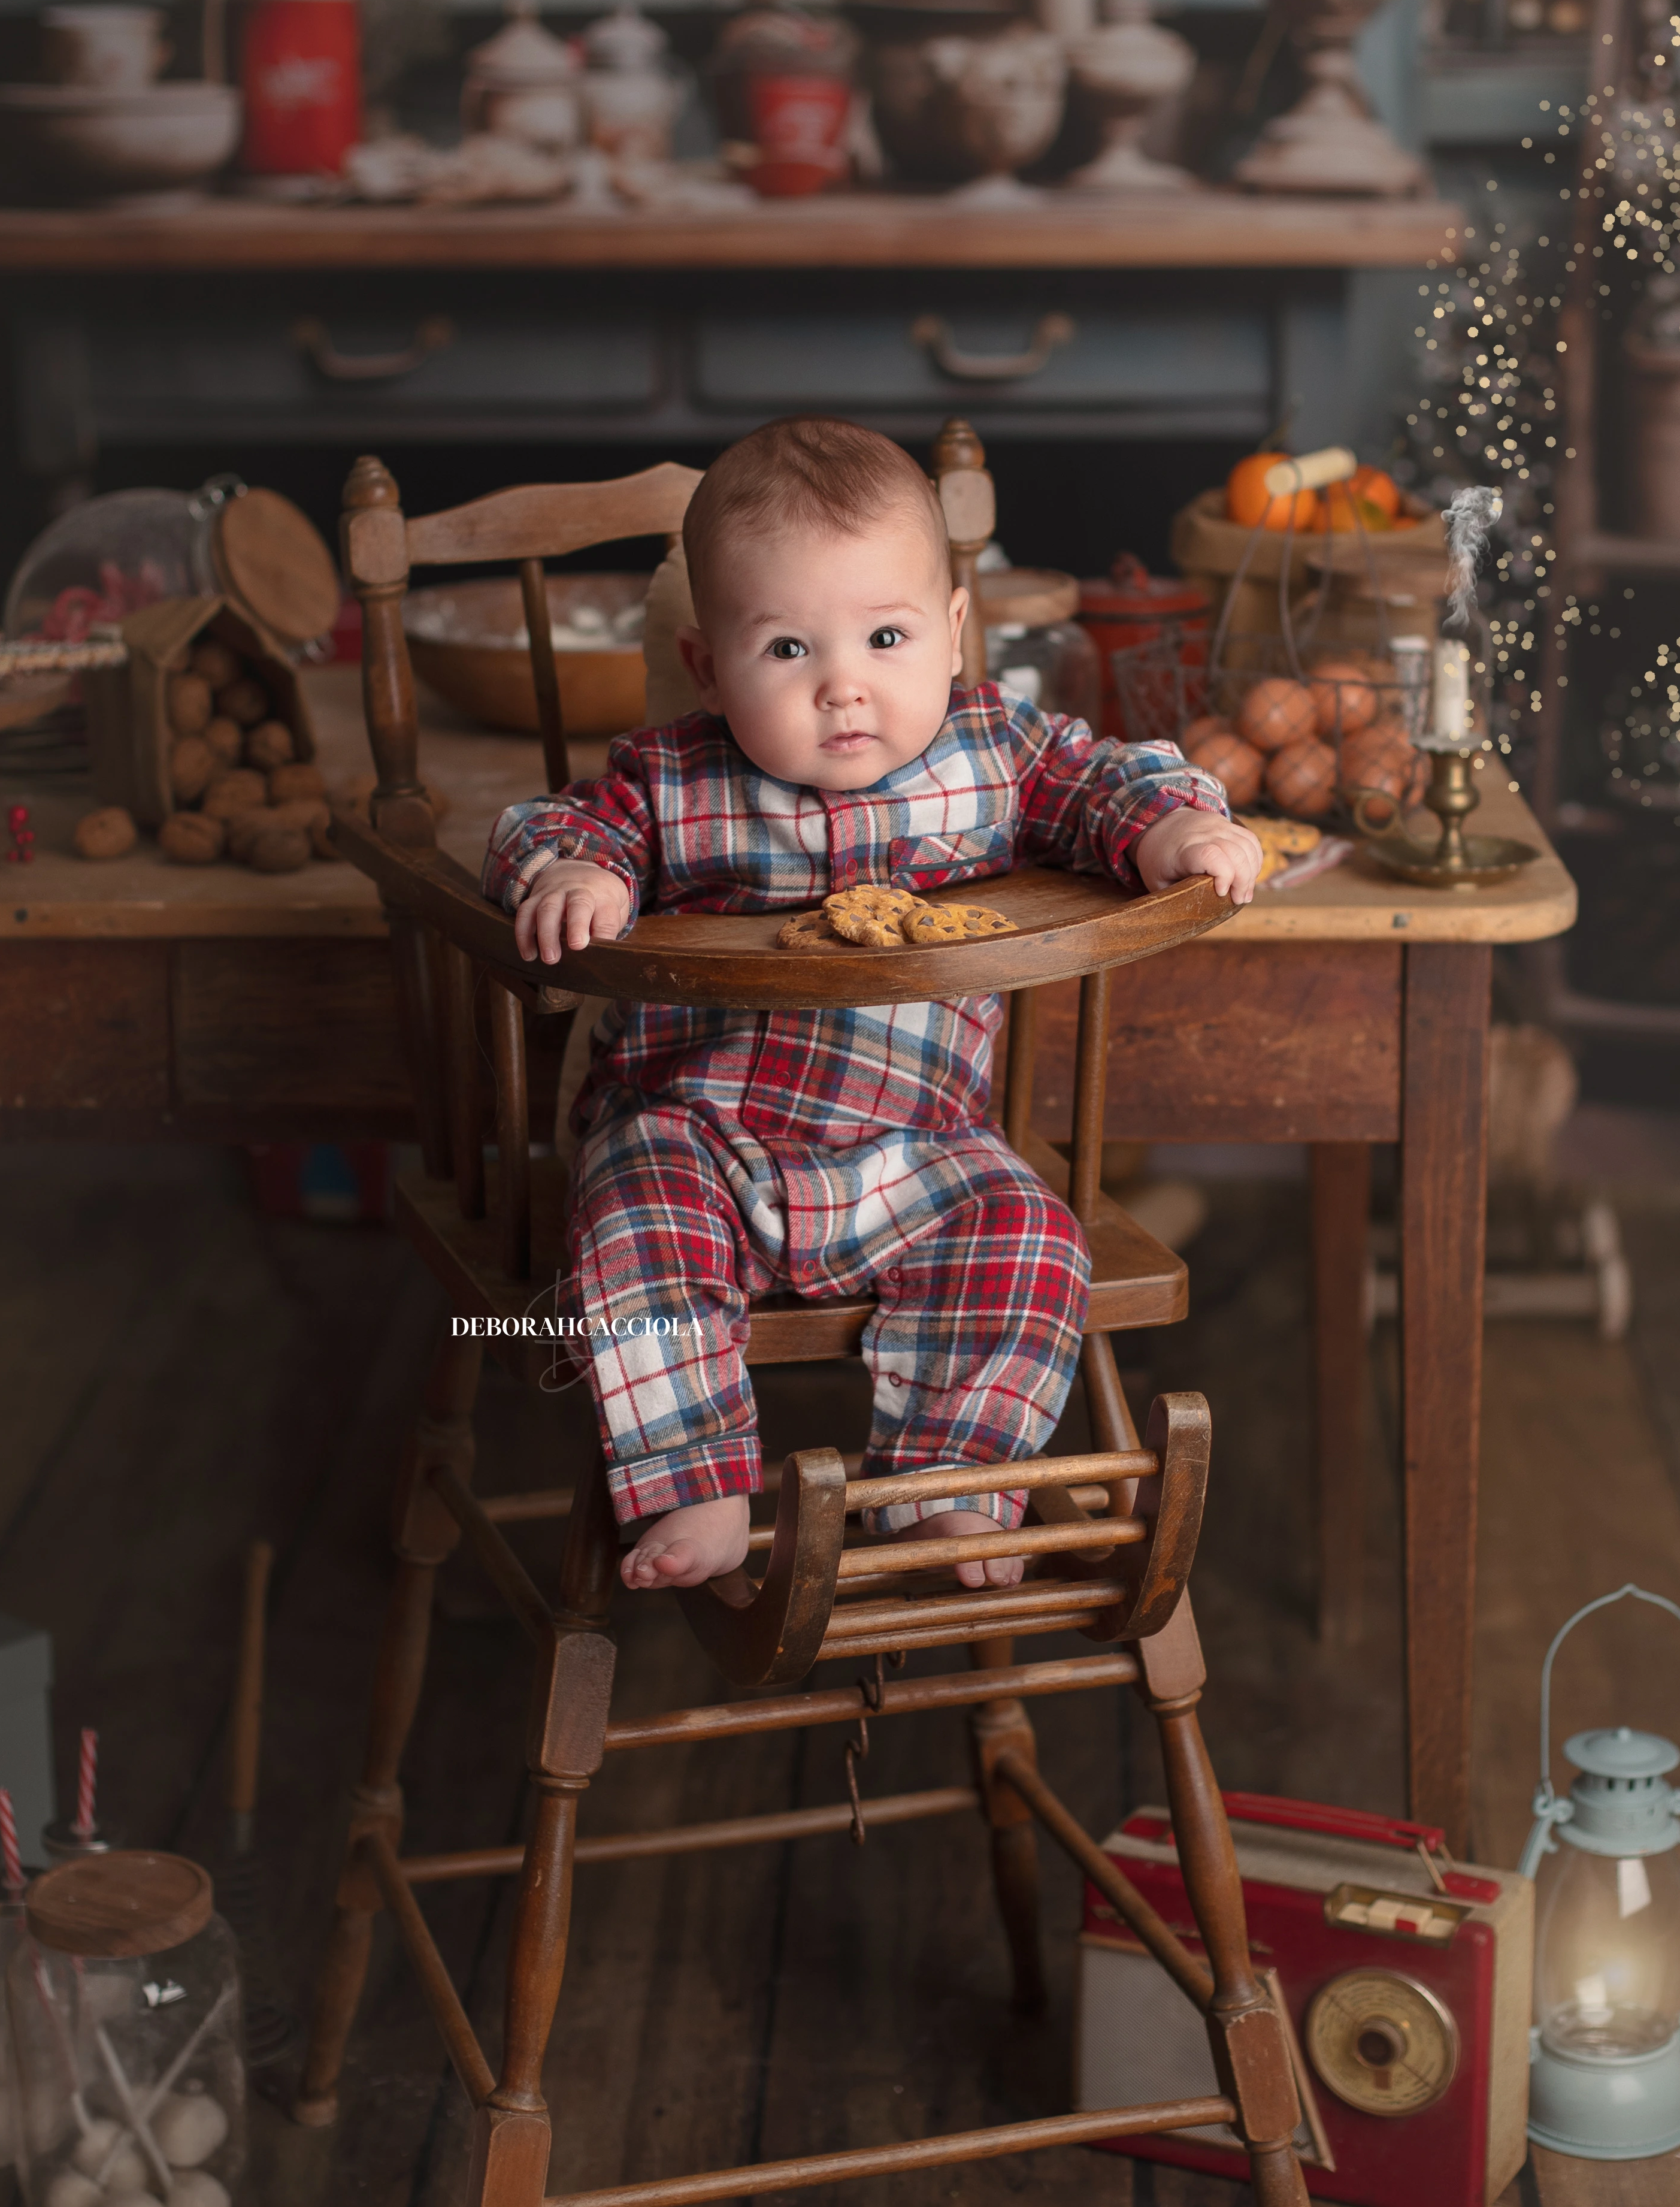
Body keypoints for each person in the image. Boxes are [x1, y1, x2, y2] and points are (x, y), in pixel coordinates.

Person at [485, 416, 1261, 1600]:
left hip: (921, 1148)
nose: (844, 685)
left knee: (1032, 1238)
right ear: (709, 667)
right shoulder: (680, 780)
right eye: (788, 648)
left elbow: (1108, 775)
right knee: (631, 1231)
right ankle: (693, 1477)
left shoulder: (995, 753)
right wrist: (570, 875)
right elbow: (558, 820)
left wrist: (1173, 825)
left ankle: (950, 1486)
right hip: (699, 1137)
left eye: (886, 637)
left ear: (952, 634)